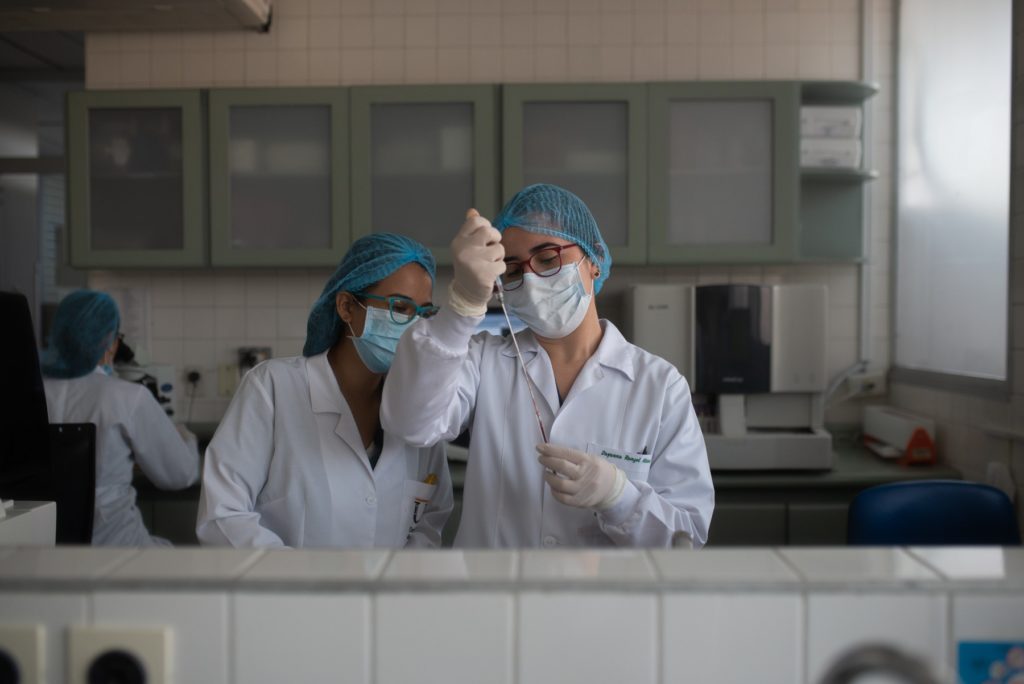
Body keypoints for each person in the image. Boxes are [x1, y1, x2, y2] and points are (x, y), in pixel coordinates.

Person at [382, 184, 714, 548]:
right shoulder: (482, 360)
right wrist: (463, 303)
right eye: (512, 269)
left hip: (602, 603)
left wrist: (619, 497)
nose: (531, 279)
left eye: (547, 258)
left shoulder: (660, 387)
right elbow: (410, 423)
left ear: (595, 260)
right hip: (493, 598)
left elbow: (687, 538)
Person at [197, 234, 453, 548]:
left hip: (387, 594)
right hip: (290, 592)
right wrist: (309, 582)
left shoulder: (421, 407)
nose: (414, 327)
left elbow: (430, 520)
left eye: (424, 314)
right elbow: (222, 516)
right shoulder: (274, 388)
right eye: (399, 307)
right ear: (347, 306)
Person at [41, 289, 200, 546]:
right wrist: (187, 438)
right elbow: (178, 476)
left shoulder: (27, 392)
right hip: (116, 546)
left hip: (42, 548)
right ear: (110, 342)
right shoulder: (127, 396)